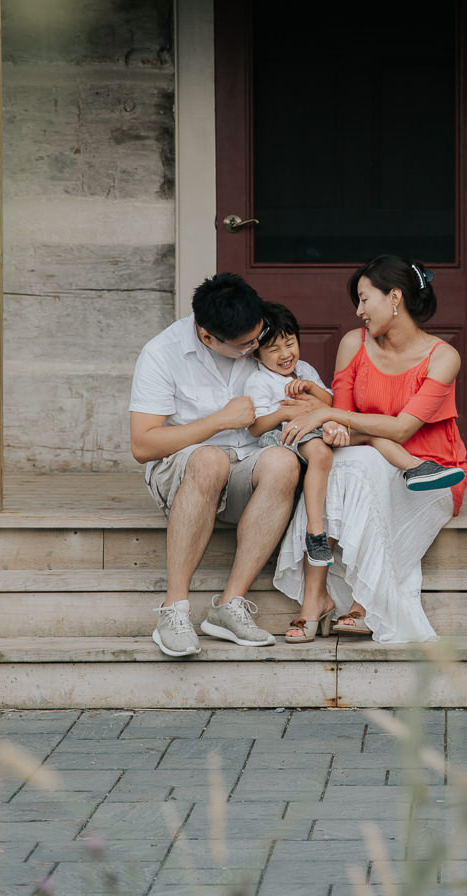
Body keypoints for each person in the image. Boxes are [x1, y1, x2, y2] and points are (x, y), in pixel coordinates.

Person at [272, 255, 467, 643]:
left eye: (365, 300)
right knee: (346, 462)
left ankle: (364, 600)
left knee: (355, 463)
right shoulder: (353, 344)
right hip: (364, 457)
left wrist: (333, 416)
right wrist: (331, 419)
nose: (358, 311)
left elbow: (402, 427)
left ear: (394, 297)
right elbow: (340, 418)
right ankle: (317, 599)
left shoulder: (443, 357)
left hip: (431, 472)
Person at [129, 273, 308, 657]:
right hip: (184, 469)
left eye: (259, 337)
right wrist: (218, 422)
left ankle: (230, 606)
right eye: (245, 346)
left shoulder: (264, 337)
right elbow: (143, 444)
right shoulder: (163, 353)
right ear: (208, 337)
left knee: (282, 462)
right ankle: (173, 609)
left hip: (249, 466)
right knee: (210, 459)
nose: (256, 347)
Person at [245, 302, 343, 573]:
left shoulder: (306, 370)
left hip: (311, 428)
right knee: (322, 454)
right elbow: (255, 427)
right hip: (281, 434)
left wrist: (310, 389)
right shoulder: (259, 381)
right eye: (274, 349)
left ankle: (408, 465)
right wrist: (283, 412)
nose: (285, 354)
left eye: (289, 343)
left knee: (356, 437)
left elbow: (331, 401)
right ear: (257, 355)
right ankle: (315, 532)